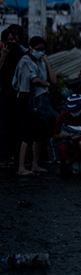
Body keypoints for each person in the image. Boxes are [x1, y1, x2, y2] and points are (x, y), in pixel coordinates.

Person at [13, 36, 57, 176]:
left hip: (41, 99)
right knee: (28, 132)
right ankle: (21, 166)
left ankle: (35, 164)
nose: (40, 52)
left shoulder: (41, 62)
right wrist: (46, 84)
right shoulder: (25, 61)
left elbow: (53, 79)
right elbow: (33, 79)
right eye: (38, 49)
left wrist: (47, 62)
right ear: (31, 48)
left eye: (42, 50)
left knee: (40, 132)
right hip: (28, 99)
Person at [0, 25, 27, 168]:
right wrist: (3, 55)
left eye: (13, 39)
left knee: (16, 127)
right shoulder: (2, 54)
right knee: (4, 127)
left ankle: (15, 157)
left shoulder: (20, 54)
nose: (11, 42)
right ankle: (3, 157)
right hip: (4, 94)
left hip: (17, 95)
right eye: (8, 40)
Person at [53, 94, 81, 177]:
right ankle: (64, 166)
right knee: (61, 147)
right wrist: (60, 136)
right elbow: (55, 135)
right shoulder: (63, 117)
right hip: (67, 142)